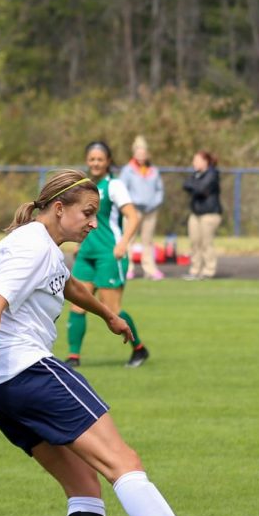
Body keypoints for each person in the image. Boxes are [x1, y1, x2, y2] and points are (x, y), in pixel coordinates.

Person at [0, 169, 247, 516]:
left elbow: (67, 284)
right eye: (87, 213)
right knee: (124, 462)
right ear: (59, 209)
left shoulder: (30, 243)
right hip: (28, 372)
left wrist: (106, 316)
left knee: (83, 484)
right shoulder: (33, 246)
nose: (93, 222)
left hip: (4, 391)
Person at [66, 141, 149, 368]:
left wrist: (123, 243)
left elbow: (133, 216)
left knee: (112, 310)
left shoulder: (114, 186)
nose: (95, 163)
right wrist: (78, 241)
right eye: (92, 159)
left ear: (108, 161)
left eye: (100, 159)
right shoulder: (83, 187)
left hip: (108, 254)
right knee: (77, 306)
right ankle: (73, 357)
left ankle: (139, 349)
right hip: (86, 255)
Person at [118, 135, 165, 281]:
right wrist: (130, 204)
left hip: (150, 211)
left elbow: (159, 190)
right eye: (139, 152)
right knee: (129, 239)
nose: (141, 155)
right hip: (133, 211)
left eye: (144, 152)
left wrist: (154, 203)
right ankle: (128, 268)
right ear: (134, 153)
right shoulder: (127, 170)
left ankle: (149, 269)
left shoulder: (153, 170)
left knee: (148, 241)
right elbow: (122, 189)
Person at [182, 151, 222, 280]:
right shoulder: (195, 175)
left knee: (206, 243)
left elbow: (201, 189)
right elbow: (186, 185)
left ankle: (209, 270)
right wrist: (195, 186)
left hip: (209, 213)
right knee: (194, 243)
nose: (194, 163)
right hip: (195, 213)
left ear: (205, 162)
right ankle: (195, 270)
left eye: (197, 160)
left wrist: (194, 186)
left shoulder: (213, 174)